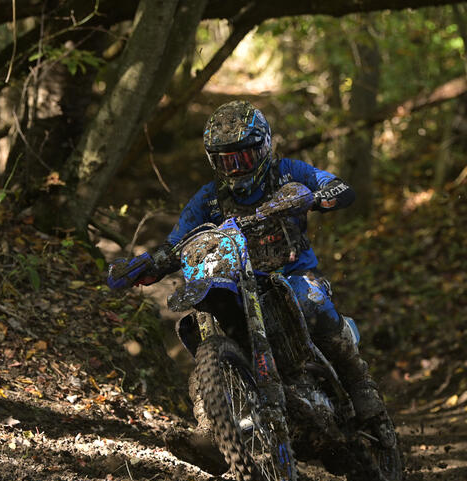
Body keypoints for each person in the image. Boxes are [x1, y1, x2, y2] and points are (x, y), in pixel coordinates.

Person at [109, 100, 385, 424]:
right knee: (205, 318)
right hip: (238, 283)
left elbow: (339, 187)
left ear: (263, 148)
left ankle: (360, 383)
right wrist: (144, 265)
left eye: (243, 157)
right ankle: (214, 419)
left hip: (294, 273)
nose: (237, 169)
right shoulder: (208, 198)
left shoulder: (288, 173)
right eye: (227, 161)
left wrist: (315, 197)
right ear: (214, 162)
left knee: (311, 299)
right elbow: (177, 244)